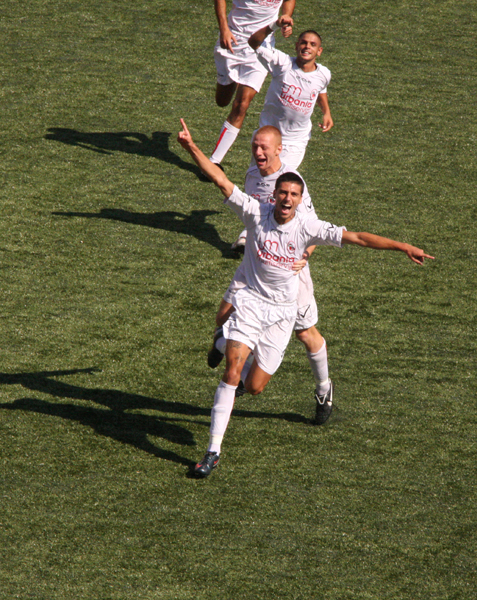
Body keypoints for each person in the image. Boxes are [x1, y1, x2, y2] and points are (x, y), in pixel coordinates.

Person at [177, 119, 434, 478]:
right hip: (250, 302)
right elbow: (220, 180)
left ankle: (223, 340)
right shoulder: (255, 212)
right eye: (282, 194)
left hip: (282, 315)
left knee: (254, 386)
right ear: (275, 196)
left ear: (300, 200)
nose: (286, 199)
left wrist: (403, 246)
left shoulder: (309, 227)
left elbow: (358, 237)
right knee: (232, 371)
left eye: (293, 196)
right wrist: (191, 147)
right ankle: (212, 451)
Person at [209, 125, 335, 429]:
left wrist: (303, 257)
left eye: (264, 147)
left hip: (290, 277)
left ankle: (323, 389)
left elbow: (313, 231)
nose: (258, 152)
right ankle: (227, 347)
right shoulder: (253, 175)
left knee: (306, 335)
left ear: (280, 149)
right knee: (222, 317)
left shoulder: (294, 185)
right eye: (254, 146)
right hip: (256, 267)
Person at [209, 0, 296, 166]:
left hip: (260, 46)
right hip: (233, 39)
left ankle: (214, 162)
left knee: (241, 105)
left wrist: (286, 16)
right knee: (222, 101)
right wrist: (223, 29)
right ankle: (231, 79)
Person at [247, 25, 333, 169]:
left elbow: (320, 89)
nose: (307, 47)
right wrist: (274, 25)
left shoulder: (324, 74)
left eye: (313, 45)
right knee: (259, 179)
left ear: (319, 51)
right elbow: (253, 43)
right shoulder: (282, 63)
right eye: (304, 42)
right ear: (296, 46)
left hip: (295, 141)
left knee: (282, 180)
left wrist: (326, 112)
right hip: (268, 136)